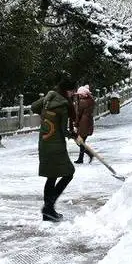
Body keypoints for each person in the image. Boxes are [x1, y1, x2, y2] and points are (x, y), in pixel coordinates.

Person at [30, 77, 77, 222]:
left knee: (52, 176)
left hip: (44, 142)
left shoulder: (49, 98)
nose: (73, 94)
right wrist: (74, 135)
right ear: (67, 91)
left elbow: (33, 107)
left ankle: (48, 211)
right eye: (72, 91)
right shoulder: (62, 105)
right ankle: (48, 207)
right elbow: (63, 130)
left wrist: (46, 115)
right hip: (56, 145)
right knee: (69, 173)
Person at [74, 85, 95, 164]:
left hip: (83, 123)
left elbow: (79, 114)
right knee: (82, 141)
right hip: (89, 122)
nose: (79, 96)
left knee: (79, 141)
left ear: (83, 94)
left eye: (80, 94)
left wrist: (76, 124)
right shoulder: (91, 100)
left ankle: (89, 154)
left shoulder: (83, 102)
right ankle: (81, 158)